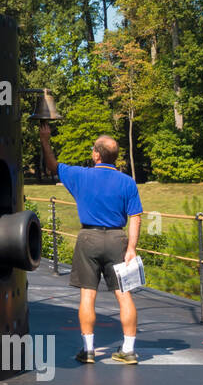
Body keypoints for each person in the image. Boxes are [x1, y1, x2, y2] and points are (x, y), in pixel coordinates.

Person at [39, 123, 143, 364]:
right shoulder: (127, 182)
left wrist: (45, 140)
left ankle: (88, 350)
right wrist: (131, 248)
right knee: (124, 295)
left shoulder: (80, 175)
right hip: (117, 239)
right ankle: (128, 350)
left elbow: (52, 166)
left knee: (88, 295)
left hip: (88, 239)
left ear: (96, 154)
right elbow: (135, 217)